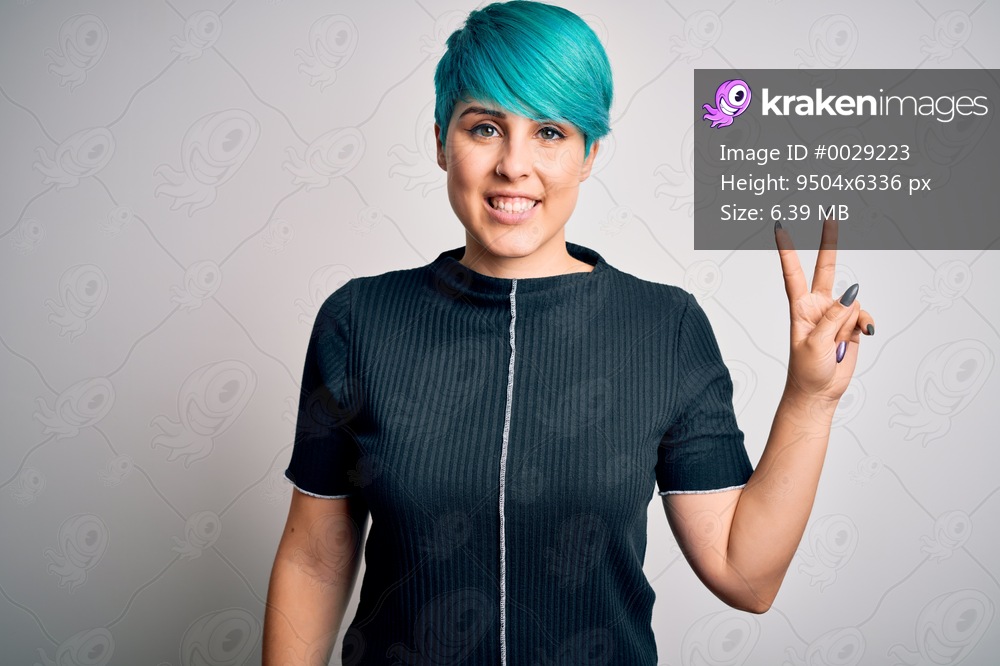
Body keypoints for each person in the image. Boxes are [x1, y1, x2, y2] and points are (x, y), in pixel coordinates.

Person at [263, 2, 874, 664]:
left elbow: (744, 574)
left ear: (588, 154)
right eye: (486, 127)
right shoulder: (359, 322)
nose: (515, 166)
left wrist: (812, 398)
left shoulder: (664, 328)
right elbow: (317, 560)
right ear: (442, 140)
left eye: (550, 132)